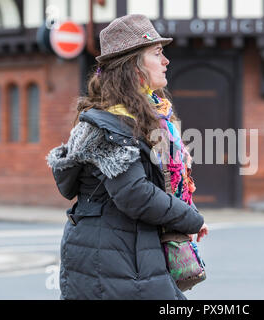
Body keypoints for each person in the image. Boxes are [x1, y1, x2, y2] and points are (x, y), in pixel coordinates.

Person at [46, 14, 208, 300]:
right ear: (133, 67)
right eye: (157, 53)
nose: (166, 61)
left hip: (127, 257)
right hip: (110, 265)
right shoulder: (109, 124)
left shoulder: (142, 120)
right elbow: (135, 194)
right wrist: (191, 219)